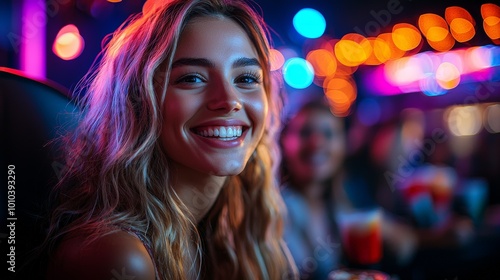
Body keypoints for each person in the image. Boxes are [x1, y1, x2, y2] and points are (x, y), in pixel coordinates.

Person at [43, 0, 297, 279]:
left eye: (246, 78)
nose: (229, 101)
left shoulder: (229, 235)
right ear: (138, 102)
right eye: (192, 78)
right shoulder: (121, 257)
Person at [280, 101, 349, 279]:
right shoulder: (271, 211)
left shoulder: (343, 208)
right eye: (305, 132)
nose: (316, 143)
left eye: (328, 134)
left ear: (343, 145)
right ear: (284, 141)